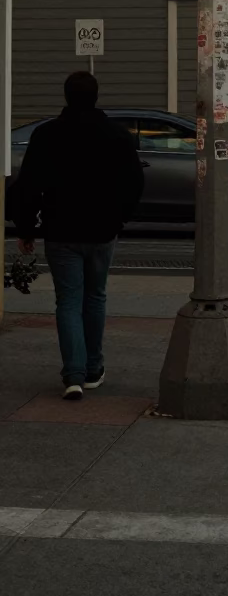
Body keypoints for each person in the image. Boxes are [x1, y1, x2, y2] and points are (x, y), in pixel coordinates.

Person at [13, 71, 144, 400]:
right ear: (96, 96)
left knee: (68, 301)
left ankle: (73, 373)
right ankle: (93, 368)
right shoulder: (118, 135)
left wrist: (26, 228)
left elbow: (28, 186)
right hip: (102, 230)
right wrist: (120, 217)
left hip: (61, 230)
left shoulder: (46, 135)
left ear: (67, 96)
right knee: (95, 296)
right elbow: (134, 183)